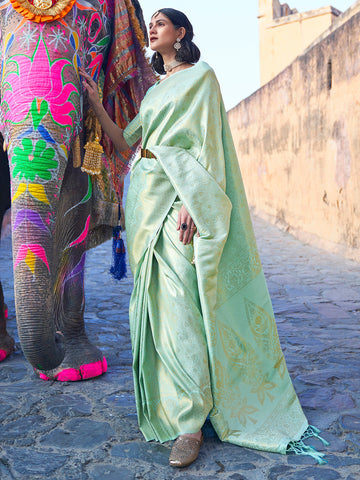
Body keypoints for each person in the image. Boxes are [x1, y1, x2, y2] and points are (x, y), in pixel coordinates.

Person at [80, 8, 327, 468]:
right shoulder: (155, 91)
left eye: (161, 23)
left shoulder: (202, 77)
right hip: (143, 198)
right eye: (150, 23)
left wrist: (196, 202)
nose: (152, 29)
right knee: (155, 306)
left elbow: (209, 143)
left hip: (179, 199)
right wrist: (95, 102)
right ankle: (175, 405)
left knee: (180, 307)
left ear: (182, 33)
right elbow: (124, 141)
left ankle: (191, 424)